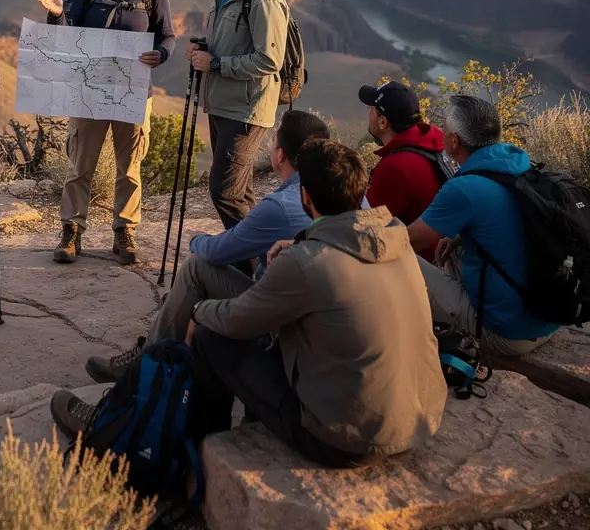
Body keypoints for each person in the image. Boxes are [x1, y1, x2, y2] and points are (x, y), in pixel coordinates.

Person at [52, 140, 447, 468]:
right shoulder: (392, 238)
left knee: (210, 337)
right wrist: (301, 243)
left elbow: (239, 321)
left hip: (342, 440)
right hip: (418, 421)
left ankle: (171, 437)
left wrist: (197, 313)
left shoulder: (308, 264)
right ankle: (154, 388)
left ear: (306, 195)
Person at [81, 109, 330, 384]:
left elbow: (215, 252)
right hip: (318, 322)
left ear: (280, 155)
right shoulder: (351, 194)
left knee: (197, 266)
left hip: (281, 324)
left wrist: (196, 238)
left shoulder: (279, 207)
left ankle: (146, 362)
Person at [34, 0, 175, 266]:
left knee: (130, 167)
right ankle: (71, 230)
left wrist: (162, 54)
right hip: (89, 89)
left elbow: (167, 35)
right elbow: (65, 36)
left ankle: (124, 232)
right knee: (81, 163)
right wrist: (55, 15)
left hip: (133, 91)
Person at [408, 94, 560, 357]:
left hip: (505, 333)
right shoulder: (519, 166)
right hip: (546, 319)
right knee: (453, 247)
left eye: (444, 127)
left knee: (398, 259)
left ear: (454, 141)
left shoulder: (463, 189)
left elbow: (405, 240)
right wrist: (457, 238)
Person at [188, 0, 290, 228]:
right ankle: (265, 255)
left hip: (246, 109)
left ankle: (248, 263)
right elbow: (234, 40)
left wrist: (215, 64)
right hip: (223, 102)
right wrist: (204, 47)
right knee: (240, 193)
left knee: (225, 192)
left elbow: (270, 60)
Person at [359, 80, 446, 261]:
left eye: (372, 109)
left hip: (422, 264)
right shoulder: (433, 141)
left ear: (382, 122)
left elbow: (365, 228)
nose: (368, 111)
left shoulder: (396, 167)